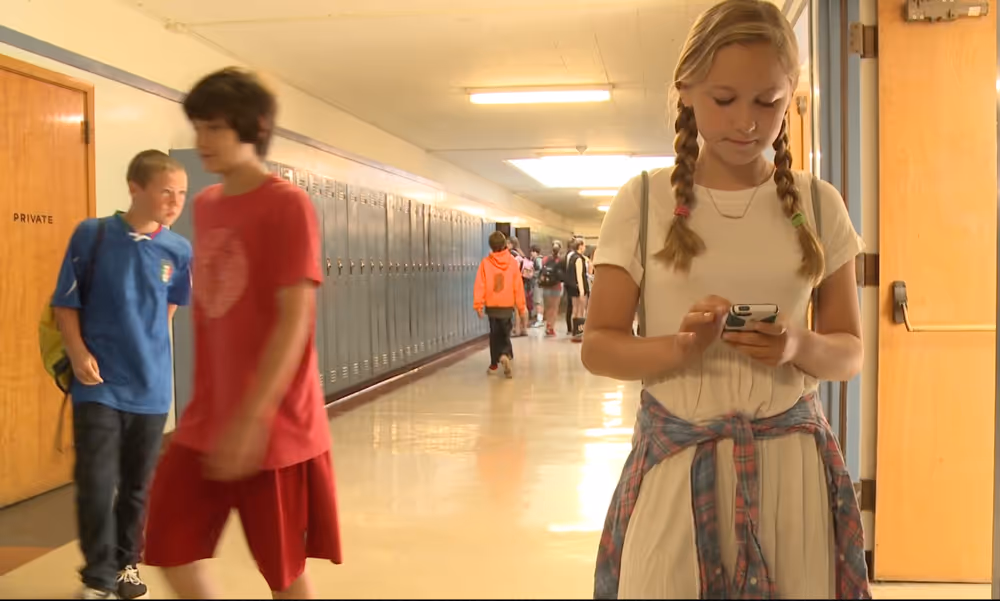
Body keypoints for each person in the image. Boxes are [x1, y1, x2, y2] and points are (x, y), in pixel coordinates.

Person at [581, 1, 870, 598]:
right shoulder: (640, 203)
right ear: (686, 90)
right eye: (724, 98)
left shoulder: (819, 205)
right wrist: (679, 347)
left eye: (769, 102)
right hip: (679, 466)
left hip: (792, 473)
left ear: (791, 94)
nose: (747, 122)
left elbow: (849, 354)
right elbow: (599, 347)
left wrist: (797, 343)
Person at [142, 67, 342, 599]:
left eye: (214, 129)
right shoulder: (207, 206)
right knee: (165, 542)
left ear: (253, 127)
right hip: (208, 419)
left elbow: (294, 319)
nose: (200, 142)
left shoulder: (286, 203)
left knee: (283, 570)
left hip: (274, 426)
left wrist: (254, 417)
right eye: (197, 128)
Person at [51, 150, 191, 600]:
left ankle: (127, 564)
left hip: (150, 387)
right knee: (95, 479)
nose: (175, 201)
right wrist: (77, 353)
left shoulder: (178, 249)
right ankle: (98, 575)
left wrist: (145, 343)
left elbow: (168, 309)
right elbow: (64, 303)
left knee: (136, 484)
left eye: (181, 193)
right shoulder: (91, 235)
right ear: (136, 187)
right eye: (166, 191)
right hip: (97, 383)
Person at [474, 231, 528, 378]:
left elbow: (480, 285)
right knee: (505, 332)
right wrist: (521, 308)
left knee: (494, 334)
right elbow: (518, 287)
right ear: (504, 245)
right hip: (507, 306)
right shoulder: (512, 263)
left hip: (492, 306)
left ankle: (493, 364)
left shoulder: (486, 263)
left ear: (491, 246)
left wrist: (478, 305)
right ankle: (504, 354)